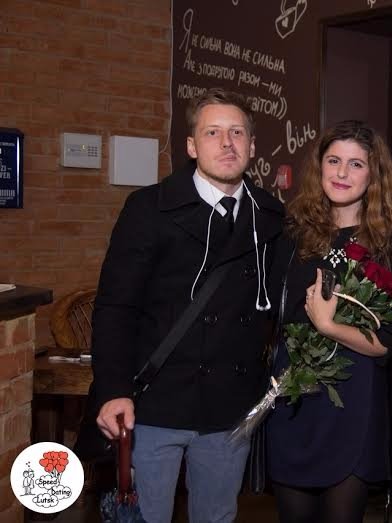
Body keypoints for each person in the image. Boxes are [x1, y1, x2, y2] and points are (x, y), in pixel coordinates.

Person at [91, 88, 284, 523]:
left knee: (216, 517)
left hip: (229, 408)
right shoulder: (149, 209)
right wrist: (113, 390)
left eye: (237, 133)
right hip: (155, 405)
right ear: (192, 146)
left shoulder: (270, 217)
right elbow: (116, 307)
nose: (227, 143)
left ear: (253, 146)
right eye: (212, 132)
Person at [265, 120, 392, 523]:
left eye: (356, 164)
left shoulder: (389, 244)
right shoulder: (292, 235)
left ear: (374, 174)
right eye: (333, 161)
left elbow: (391, 341)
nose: (342, 173)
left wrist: (330, 327)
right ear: (320, 166)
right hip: (294, 396)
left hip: (353, 400)